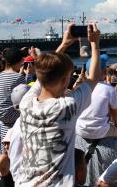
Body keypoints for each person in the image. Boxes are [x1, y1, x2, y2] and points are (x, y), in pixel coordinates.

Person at [17, 24, 102, 186]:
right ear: (64, 81)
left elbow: (45, 71)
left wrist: (64, 44)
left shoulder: (26, 103)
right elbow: (95, 77)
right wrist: (95, 44)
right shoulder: (67, 106)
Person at [75, 53, 117, 186]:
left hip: (80, 130)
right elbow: (116, 112)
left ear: (86, 73)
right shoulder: (109, 89)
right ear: (104, 73)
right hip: (100, 131)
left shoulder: (80, 88)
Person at [0, 47, 26, 149]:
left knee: (6, 145)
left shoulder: (0, 75)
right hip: (9, 113)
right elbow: (24, 96)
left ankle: (4, 150)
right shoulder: (18, 77)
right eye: (22, 60)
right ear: (18, 61)